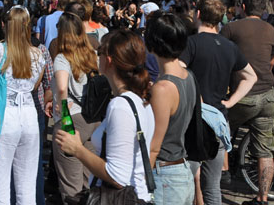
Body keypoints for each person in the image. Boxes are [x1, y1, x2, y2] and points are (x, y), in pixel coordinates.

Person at [55, 30, 155, 203]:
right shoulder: (141, 100)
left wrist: (77, 149)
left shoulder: (121, 106)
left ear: (108, 60)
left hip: (121, 198)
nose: (95, 57)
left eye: (98, 52)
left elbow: (117, 176)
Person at [180, 0, 257, 205]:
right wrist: (230, 101)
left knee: (186, 181)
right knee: (212, 186)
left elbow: (178, 73)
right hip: (218, 121)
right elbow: (251, 76)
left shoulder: (191, 44)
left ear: (197, 14)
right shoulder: (229, 46)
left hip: (192, 122)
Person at [221, 0, 274, 205]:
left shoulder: (231, 28)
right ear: (263, 9)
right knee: (265, 150)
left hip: (244, 94)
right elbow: (272, 60)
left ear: (243, 7)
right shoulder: (271, 29)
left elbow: (222, 58)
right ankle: (262, 199)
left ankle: (223, 172)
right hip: (268, 93)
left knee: (221, 127)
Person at [0, 6, 48, 204]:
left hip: (6, 116)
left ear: (6, 25)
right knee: (27, 187)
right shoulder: (39, 54)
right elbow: (35, 85)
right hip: (29, 116)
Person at [145, 13, 196, 205]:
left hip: (164, 175)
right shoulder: (187, 75)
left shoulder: (163, 88)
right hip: (181, 171)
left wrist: (141, 183)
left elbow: (154, 147)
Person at [50, 12, 99, 204]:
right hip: (93, 120)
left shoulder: (62, 58)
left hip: (72, 120)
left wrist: (63, 115)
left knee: (70, 185)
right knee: (88, 181)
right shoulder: (92, 54)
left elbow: (62, 87)